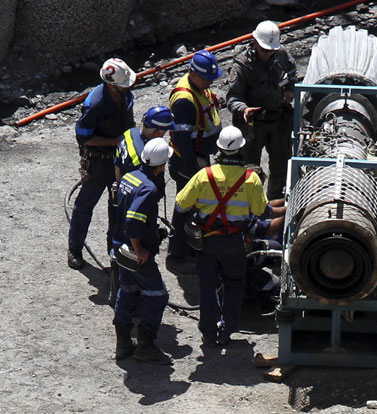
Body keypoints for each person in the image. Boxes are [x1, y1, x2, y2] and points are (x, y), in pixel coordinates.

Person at [173, 126, 270, 347]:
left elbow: (180, 205)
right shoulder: (251, 179)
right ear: (241, 150)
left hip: (206, 241)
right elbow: (262, 212)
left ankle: (208, 332)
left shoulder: (204, 175)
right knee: (234, 283)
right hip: (234, 241)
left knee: (207, 285)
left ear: (218, 148)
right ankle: (227, 329)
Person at [67, 57, 137, 270]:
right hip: (99, 163)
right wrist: (113, 142)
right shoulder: (95, 103)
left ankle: (115, 252)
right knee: (84, 206)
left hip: (121, 160)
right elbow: (84, 137)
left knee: (118, 207)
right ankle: (75, 249)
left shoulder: (125, 95)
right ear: (110, 84)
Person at [112, 138, 173, 365]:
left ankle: (123, 344)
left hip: (120, 248)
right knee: (158, 295)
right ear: (162, 165)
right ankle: (145, 346)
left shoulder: (129, 177)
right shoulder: (149, 188)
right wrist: (140, 249)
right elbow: (132, 222)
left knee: (128, 290)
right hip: (134, 252)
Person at [108, 105, 176, 306]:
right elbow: (145, 188)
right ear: (157, 131)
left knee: (116, 240)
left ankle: (118, 291)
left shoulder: (129, 135)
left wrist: (121, 191)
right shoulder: (143, 157)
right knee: (133, 248)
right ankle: (130, 295)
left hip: (121, 197)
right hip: (137, 205)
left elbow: (118, 165)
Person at [226, 20, 298, 200]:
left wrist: (290, 89)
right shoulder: (242, 65)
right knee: (249, 169)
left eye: (271, 50)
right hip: (253, 126)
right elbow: (232, 97)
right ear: (255, 42)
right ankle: (250, 204)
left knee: (281, 165)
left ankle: (275, 201)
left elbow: (292, 73)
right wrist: (243, 109)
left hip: (278, 121)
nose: (268, 54)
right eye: (265, 50)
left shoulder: (281, 55)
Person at [166, 49, 223, 274]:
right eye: (208, 78)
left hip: (198, 158)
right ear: (195, 74)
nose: (211, 82)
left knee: (194, 207)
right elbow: (182, 141)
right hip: (187, 163)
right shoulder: (184, 101)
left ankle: (188, 249)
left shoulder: (199, 87)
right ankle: (176, 256)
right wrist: (193, 172)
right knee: (184, 207)